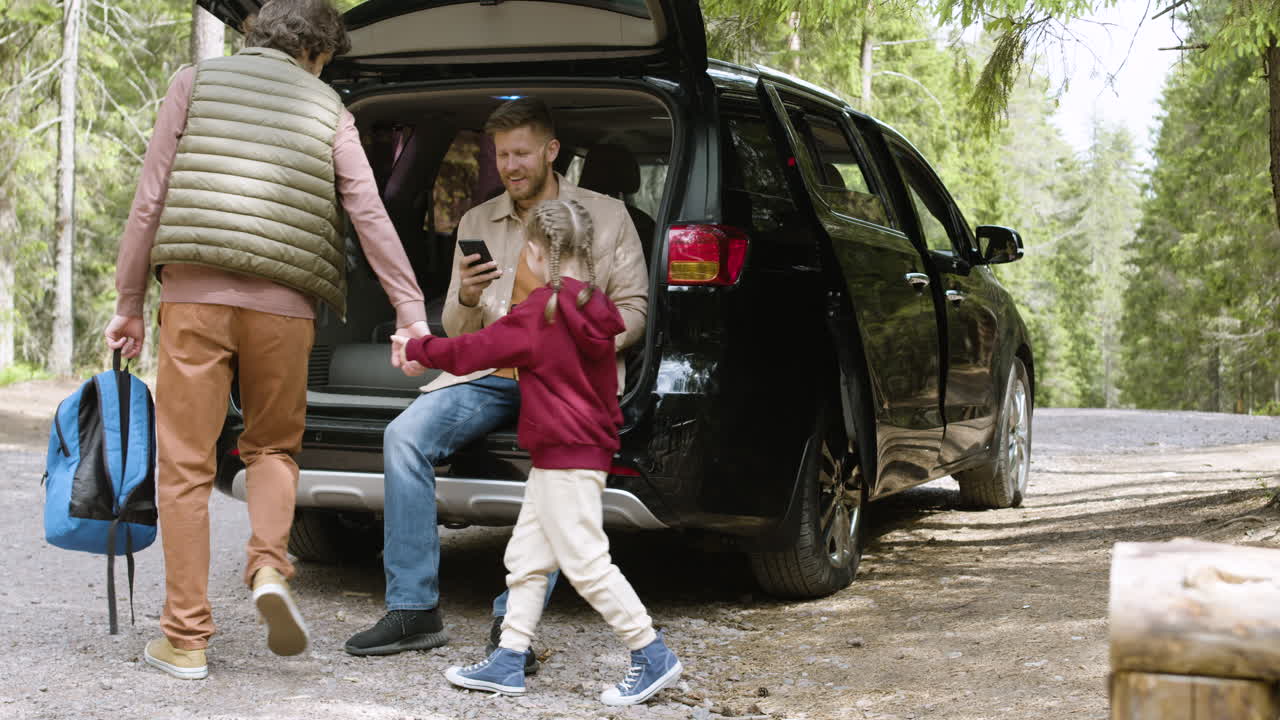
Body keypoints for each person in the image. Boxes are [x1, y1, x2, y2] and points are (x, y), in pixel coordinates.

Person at [104, 0, 429, 680]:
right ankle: (269, 567)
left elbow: (150, 196)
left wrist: (130, 304)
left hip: (194, 297)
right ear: (318, 52)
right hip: (285, 306)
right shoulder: (327, 109)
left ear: (257, 33)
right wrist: (409, 310)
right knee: (274, 446)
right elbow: (367, 211)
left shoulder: (195, 81)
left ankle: (186, 639)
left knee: (187, 464)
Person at [343, 98, 648, 665]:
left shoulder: (605, 216)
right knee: (403, 437)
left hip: (566, 380)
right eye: (501, 154)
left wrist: (578, 345)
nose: (510, 165)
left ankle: (514, 625)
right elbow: (463, 331)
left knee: (556, 481)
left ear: (551, 151)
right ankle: (413, 609)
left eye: (522, 153)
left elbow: (634, 309)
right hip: (490, 372)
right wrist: (462, 293)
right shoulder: (478, 221)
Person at [392, 199, 680, 706]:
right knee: (527, 558)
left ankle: (650, 651)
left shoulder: (539, 313)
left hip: (567, 456)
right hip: (570, 452)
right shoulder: (595, 305)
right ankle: (508, 659)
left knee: (587, 563)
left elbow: (472, 350)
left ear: (532, 251)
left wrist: (417, 348)